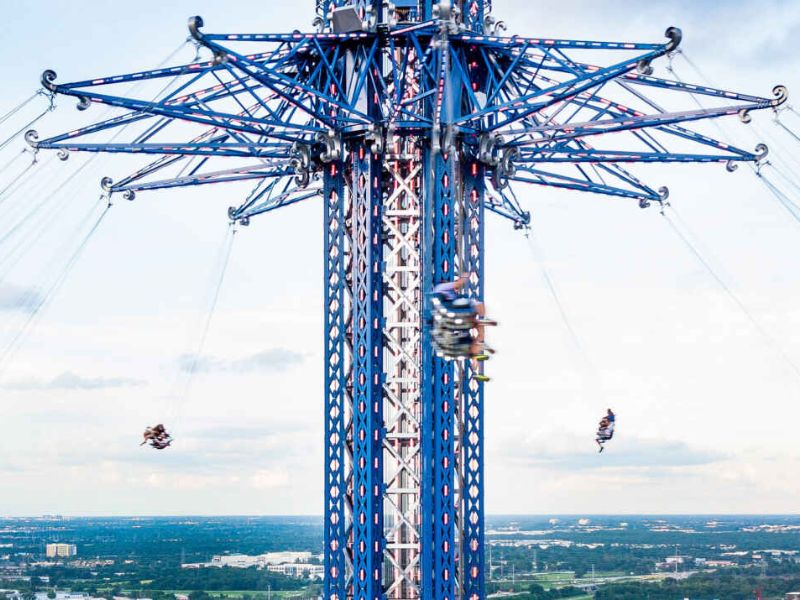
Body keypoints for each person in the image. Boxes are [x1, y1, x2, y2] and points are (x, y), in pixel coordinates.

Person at [432, 274, 496, 381]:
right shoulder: (442, 288)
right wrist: (465, 276)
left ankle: (475, 355)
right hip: (451, 315)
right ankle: (477, 350)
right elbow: (458, 283)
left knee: (473, 331)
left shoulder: (451, 294)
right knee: (475, 312)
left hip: (453, 323)